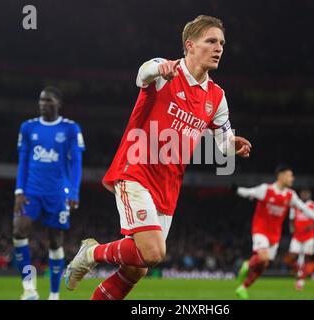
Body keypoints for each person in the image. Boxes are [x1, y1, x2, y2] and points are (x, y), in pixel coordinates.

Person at [64, 15, 252, 300]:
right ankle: (91, 253)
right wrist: (158, 69)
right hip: (136, 170)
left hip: (168, 185)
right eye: (211, 41)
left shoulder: (217, 96)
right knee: (153, 253)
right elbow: (143, 74)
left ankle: (93, 257)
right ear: (189, 45)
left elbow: (223, 144)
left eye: (222, 43)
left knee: (135, 269)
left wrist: (232, 144)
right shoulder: (166, 71)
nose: (219, 48)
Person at [13, 86, 85, 300]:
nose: (43, 103)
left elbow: (77, 162)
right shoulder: (28, 127)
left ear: (58, 103)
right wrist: (19, 190)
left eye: (48, 100)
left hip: (57, 195)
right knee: (18, 232)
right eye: (41, 100)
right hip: (31, 192)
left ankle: (54, 295)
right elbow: (23, 160)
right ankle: (29, 288)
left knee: (55, 242)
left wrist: (73, 191)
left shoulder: (70, 129)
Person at [233, 166, 314, 299]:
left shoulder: (290, 195)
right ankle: (247, 265)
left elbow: (304, 208)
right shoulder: (266, 189)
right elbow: (249, 192)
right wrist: (236, 189)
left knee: (264, 264)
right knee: (263, 257)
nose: (292, 178)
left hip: (275, 234)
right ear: (281, 176)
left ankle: (243, 288)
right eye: (290, 175)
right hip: (260, 230)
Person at [288, 189, 314, 290]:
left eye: (306, 194)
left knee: (306, 259)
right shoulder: (295, 205)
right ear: (300, 195)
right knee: (292, 257)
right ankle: (298, 273)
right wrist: (292, 229)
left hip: (309, 236)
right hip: (297, 236)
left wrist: (311, 227)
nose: (304, 195)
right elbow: (291, 219)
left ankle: (300, 280)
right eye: (303, 194)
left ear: (309, 195)